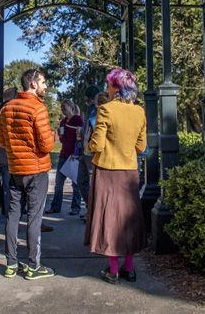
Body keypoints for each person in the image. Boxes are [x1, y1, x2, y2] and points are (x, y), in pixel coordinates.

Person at [85, 68, 147, 285]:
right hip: (129, 171)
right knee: (127, 218)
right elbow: (141, 145)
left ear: (116, 87)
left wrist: (89, 144)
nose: (107, 88)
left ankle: (113, 271)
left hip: (108, 171)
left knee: (110, 219)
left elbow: (98, 144)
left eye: (109, 84)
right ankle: (129, 268)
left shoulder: (106, 110)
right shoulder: (139, 112)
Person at [0, 69, 56, 280]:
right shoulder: (38, 108)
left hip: (15, 169)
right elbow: (47, 144)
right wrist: (52, 135)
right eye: (43, 82)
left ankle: (11, 263)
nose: (45, 86)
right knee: (34, 216)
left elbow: (2, 141)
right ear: (32, 83)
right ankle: (33, 266)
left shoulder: (7, 108)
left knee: (13, 215)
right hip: (36, 169)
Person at [45, 100, 83, 216]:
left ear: (71, 107)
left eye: (64, 107)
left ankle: (75, 208)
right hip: (63, 154)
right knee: (58, 183)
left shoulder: (78, 119)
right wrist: (60, 134)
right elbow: (62, 140)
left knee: (75, 184)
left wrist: (76, 152)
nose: (62, 109)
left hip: (74, 156)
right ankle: (55, 207)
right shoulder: (62, 122)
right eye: (61, 107)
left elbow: (80, 138)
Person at [0, 86, 18, 217]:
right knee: (17, 189)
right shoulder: (14, 112)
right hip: (15, 157)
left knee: (7, 187)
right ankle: (15, 213)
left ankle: (9, 213)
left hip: (3, 158)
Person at [76, 85, 101, 220]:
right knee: (81, 181)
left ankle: (93, 214)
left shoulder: (98, 111)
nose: (86, 102)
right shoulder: (90, 110)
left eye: (87, 100)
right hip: (84, 152)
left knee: (92, 184)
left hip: (92, 153)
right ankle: (90, 208)